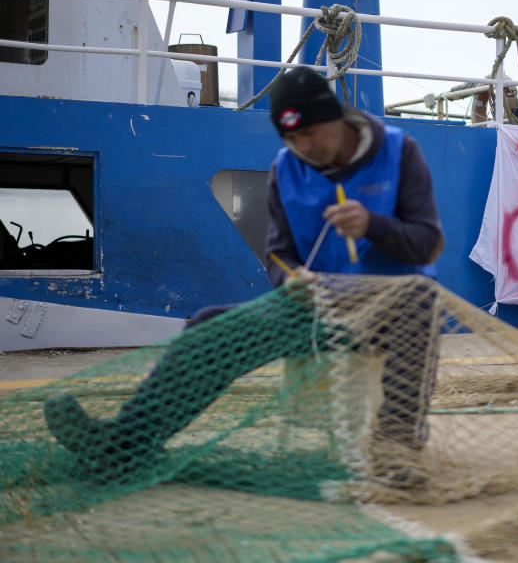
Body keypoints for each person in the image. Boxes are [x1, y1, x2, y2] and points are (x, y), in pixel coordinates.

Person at [44, 68, 445, 487]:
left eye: (310, 134)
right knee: (209, 324)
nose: (303, 147)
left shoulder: (399, 152)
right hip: (321, 308)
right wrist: (291, 281)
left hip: (391, 308)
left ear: (337, 119)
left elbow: (428, 244)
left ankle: (396, 452)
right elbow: (279, 254)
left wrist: (374, 226)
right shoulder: (286, 169)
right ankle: (125, 445)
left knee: (422, 301)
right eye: (291, 139)